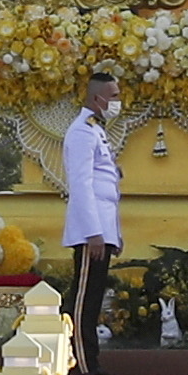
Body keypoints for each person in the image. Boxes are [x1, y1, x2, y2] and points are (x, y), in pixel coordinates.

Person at [57, 70, 127, 340]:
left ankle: (89, 358)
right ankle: (80, 359)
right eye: (114, 96)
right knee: (84, 300)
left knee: (94, 298)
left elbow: (108, 190)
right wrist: (93, 232)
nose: (118, 101)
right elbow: (82, 185)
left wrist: (114, 235)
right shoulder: (82, 132)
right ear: (98, 98)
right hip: (91, 233)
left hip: (102, 229)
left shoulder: (96, 130)